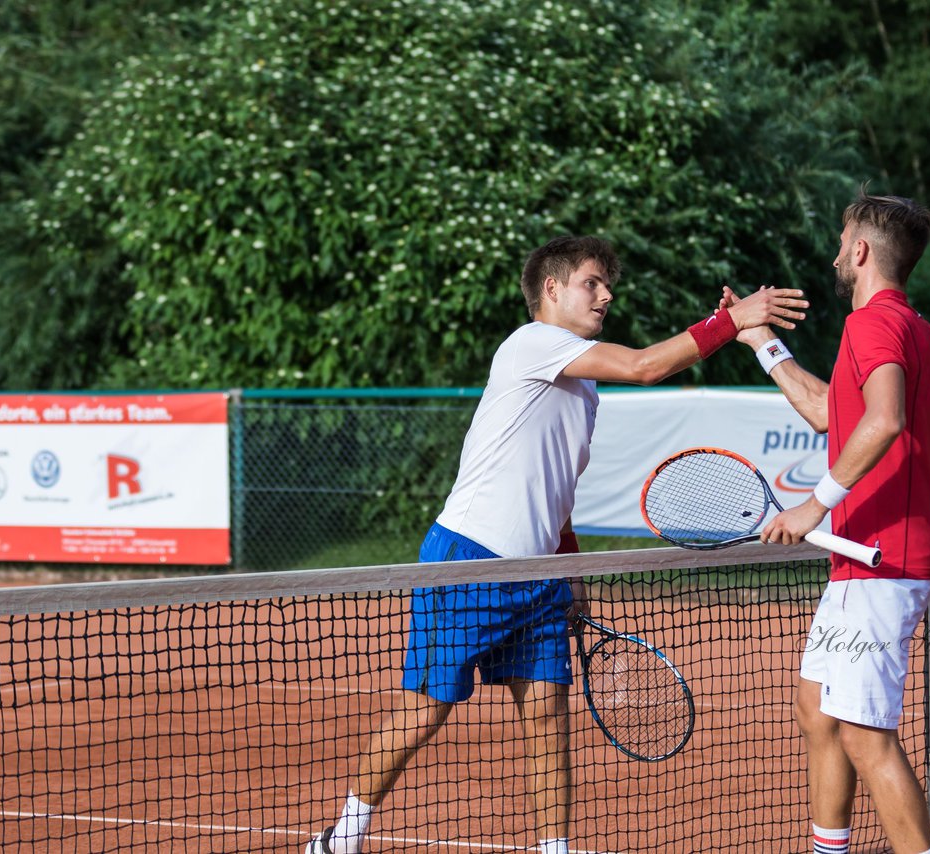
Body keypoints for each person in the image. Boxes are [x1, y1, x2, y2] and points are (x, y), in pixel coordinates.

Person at [305, 235, 810, 854]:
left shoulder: (583, 384)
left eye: (607, 284)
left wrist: (568, 573)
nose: (607, 294)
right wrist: (731, 320)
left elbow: (557, 490)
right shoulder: (532, 344)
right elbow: (646, 366)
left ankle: (555, 850)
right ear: (552, 289)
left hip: (540, 569)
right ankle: (340, 838)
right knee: (427, 709)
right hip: (469, 557)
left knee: (547, 715)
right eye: (592, 283)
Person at [722, 191, 930, 854]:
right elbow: (829, 412)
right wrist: (759, 339)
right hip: (861, 560)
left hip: (881, 560)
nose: (832, 254)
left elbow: (884, 420)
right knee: (819, 711)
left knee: (863, 734)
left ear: (862, 251)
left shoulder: (873, 324)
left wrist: (813, 504)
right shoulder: (905, 325)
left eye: (840, 239)